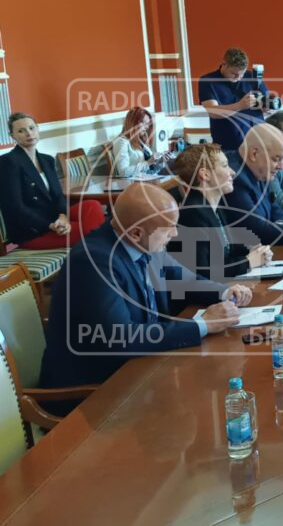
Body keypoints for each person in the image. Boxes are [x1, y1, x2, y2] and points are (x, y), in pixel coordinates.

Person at [41, 183, 251, 387]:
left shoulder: (144, 243)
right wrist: (203, 324)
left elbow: (185, 280)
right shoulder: (92, 262)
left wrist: (225, 292)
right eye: (169, 228)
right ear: (136, 233)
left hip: (144, 365)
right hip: (99, 386)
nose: (175, 234)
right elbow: (121, 338)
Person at [168, 143, 273, 280]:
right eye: (225, 166)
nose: (232, 172)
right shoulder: (193, 213)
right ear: (205, 174)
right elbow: (202, 271)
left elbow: (224, 250)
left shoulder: (214, 207)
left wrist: (252, 251)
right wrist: (248, 262)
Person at [0, 112, 105, 248]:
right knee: (92, 231)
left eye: (31, 128)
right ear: (12, 136)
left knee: (92, 205)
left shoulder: (47, 160)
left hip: (54, 218)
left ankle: (98, 252)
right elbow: (16, 208)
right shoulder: (8, 162)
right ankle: (101, 254)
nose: (29, 133)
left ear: (38, 129)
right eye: (21, 131)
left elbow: (58, 195)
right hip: (33, 230)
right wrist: (50, 225)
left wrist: (62, 216)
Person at [199, 47, 277, 151]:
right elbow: (213, 112)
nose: (238, 77)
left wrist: (268, 108)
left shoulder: (252, 77)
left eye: (242, 74)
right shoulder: (208, 81)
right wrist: (240, 105)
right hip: (228, 146)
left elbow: (265, 104)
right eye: (234, 73)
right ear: (224, 64)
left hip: (258, 143)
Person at [111, 107, 172, 178]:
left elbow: (150, 169)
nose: (147, 127)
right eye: (144, 123)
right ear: (133, 123)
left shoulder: (139, 141)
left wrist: (160, 161)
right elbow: (123, 172)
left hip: (149, 178)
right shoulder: (121, 142)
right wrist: (148, 162)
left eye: (148, 124)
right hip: (135, 183)